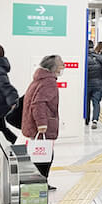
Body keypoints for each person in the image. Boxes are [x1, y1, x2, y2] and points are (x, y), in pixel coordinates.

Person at [21, 55, 64, 190]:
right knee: (44, 155)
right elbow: (39, 103)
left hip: (33, 123)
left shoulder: (39, 79)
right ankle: (40, 182)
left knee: (41, 154)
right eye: (61, 64)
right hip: (40, 125)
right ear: (54, 67)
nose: (63, 66)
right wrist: (42, 123)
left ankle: (40, 181)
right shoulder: (49, 82)